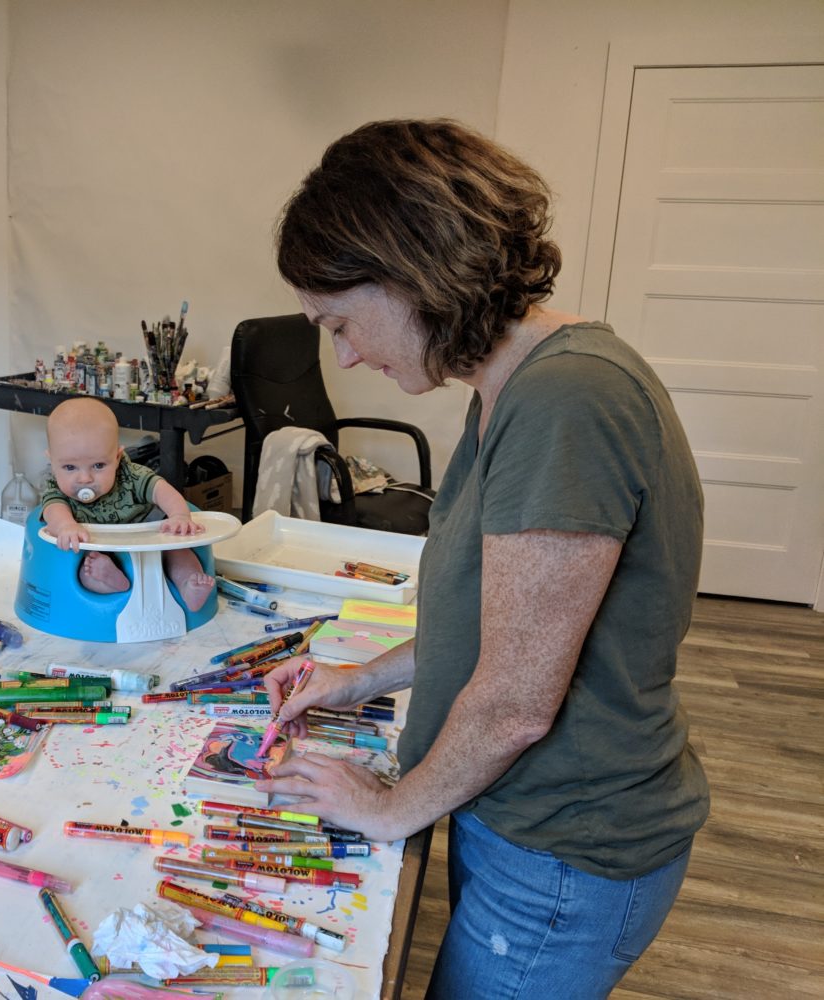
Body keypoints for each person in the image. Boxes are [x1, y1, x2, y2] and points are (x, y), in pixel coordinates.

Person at [253, 119, 709, 997]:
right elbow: (490, 626)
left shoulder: (565, 399)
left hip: (568, 846)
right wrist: (351, 681)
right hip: (521, 822)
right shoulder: (510, 385)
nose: (343, 354)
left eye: (341, 322)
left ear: (413, 270)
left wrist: (385, 808)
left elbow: (510, 706)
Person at [40, 396, 215, 612]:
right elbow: (52, 510)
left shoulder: (131, 475)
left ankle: (188, 584)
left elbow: (162, 490)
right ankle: (112, 582)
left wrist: (179, 516)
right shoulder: (56, 487)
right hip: (98, 549)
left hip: (149, 543)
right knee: (85, 572)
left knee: (178, 550)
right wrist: (66, 526)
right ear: (52, 461)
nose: (84, 478)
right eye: (69, 467)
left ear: (117, 457)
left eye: (98, 465)